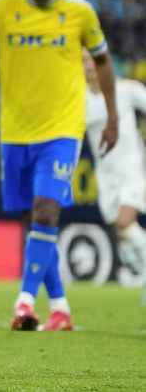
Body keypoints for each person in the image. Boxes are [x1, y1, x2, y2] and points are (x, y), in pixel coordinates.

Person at [0, 0, 118, 332]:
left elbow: (104, 62)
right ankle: (60, 307)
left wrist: (112, 117)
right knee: (34, 223)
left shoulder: (79, 11)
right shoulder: (3, 6)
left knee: (47, 212)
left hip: (63, 130)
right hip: (15, 133)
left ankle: (24, 303)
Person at [83, 52, 146, 294]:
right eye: (83, 62)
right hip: (105, 177)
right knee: (121, 232)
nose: (88, 66)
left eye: (92, 60)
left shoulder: (127, 90)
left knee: (124, 222)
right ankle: (140, 271)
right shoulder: (81, 101)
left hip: (132, 170)